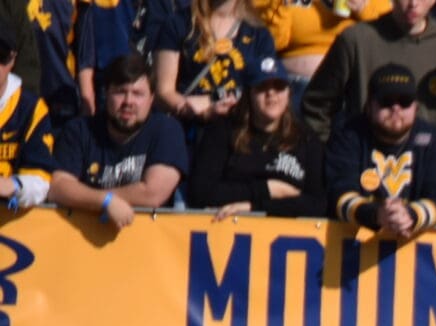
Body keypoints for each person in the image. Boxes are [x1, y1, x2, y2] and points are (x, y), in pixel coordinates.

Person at [300, 0, 436, 140]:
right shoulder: (357, 39)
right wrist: (327, 154)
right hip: (364, 163)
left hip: (427, 168)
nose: (413, 3)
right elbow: (317, 105)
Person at [47, 54, 186, 229]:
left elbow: (153, 193)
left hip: (150, 244)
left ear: (151, 99)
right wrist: (104, 201)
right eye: (120, 92)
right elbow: (57, 186)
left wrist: (86, 197)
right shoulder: (79, 130)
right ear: (106, 94)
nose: (128, 101)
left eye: (138, 94)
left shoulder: (166, 130)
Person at [186, 55, 326, 215]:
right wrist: (266, 189)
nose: (271, 94)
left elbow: (318, 204)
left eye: (279, 86)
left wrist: (255, 207)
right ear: (249, 94)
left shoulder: (306, 138)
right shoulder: (224, 130)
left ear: (289, 93)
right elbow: (200, 192)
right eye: (262, 87)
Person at [326, 61, 436, 236]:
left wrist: (410, 215)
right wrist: (376, 215)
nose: (396, 108)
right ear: (369, 106)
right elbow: (338, 194)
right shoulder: (348, 135)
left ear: (416, 107)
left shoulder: (434, 140)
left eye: (405, 101)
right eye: (386, 101)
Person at [156, 0, 277, 130]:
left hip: (239, 131)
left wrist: (224, 104)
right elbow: (163, 92)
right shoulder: (179, 23)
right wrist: (190, 108)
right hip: (189, 131)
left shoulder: (259, 33)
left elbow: (266, 88)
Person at [0, 33, 57, 212]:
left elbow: (41, 180)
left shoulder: (31, 108)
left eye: (0, 56)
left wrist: (14, 185)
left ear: (12, 58)